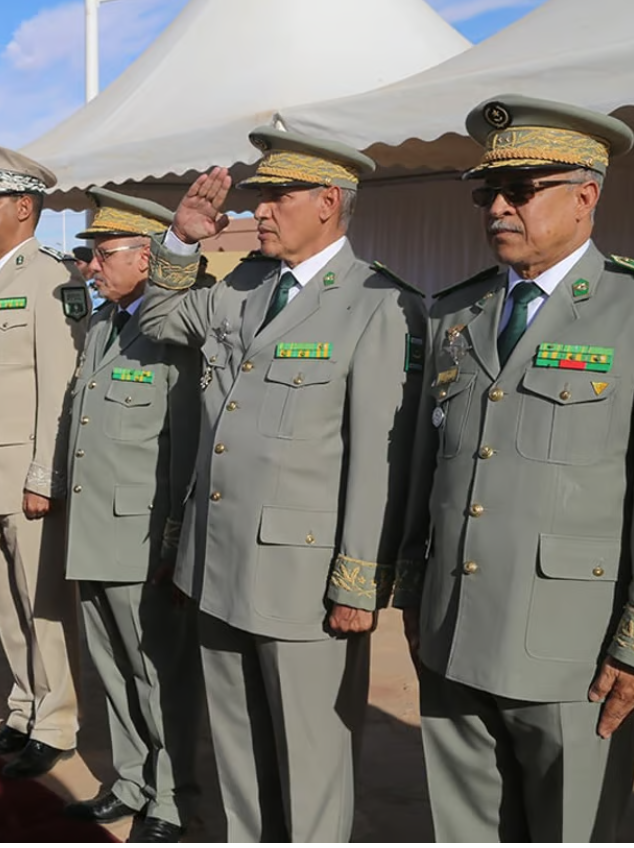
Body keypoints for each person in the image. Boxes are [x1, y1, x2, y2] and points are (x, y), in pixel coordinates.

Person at [138, 126, 427, 842]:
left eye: (279, 196)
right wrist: (182, 240)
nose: (260, 210)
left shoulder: (378, 303)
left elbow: (379, 456)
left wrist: (358, 581)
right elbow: (157, 317)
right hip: (216, 563)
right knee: (238, 752)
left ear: (328, 202)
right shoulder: (242, 282)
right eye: (260, 196)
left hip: (304, 578)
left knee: (310, 764)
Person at [394, 95, 634, 842]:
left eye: (520, 191)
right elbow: (426, 469)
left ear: (585, 195)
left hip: (571, 652)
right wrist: (413, 591)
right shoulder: (458, 315)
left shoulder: (627, 311)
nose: (497, 207)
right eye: (487, 193)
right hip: (453, 633)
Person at [62, 188, 202, 842]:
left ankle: (171, 798)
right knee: (113, 669)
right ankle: (129, 780)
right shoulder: (101, 324)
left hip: (142, 533)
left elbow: (184, 447)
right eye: (92, 254)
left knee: (155, 674)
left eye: (104, 254)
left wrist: (174, 542)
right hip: (93, 529)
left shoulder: (174, 333)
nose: (93, 266)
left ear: (146, 258)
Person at [0, 144, 89, 779]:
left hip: (22, 477)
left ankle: (56, 721)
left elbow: (60, 387)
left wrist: (43, 475)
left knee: (40, 606)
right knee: (4, 602)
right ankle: (24, 711)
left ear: (24, 208)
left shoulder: (53, 277)